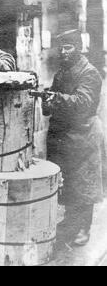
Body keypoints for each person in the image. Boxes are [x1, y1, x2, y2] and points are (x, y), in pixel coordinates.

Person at [42, 29, 104, 246]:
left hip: (83, 134)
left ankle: (84, 229)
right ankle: (71, 222)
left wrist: (56, 98)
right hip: (65, 135)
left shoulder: (89, 73)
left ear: (79, 48)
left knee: (84, 183)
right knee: (67, 180)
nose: (63, 52)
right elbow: (53, 101)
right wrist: (47, 101)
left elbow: (83, 102)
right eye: (61, 48)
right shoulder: (62, 72)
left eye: (68, 47)